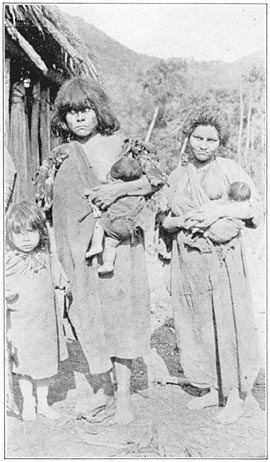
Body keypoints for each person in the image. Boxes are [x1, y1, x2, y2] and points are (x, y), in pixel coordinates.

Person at [36, 77, 166, 425]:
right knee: (88, 318)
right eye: (71, 113)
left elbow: (154, 180)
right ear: (62, 120)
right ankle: (103, 390)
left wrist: (113, 194)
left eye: (85, 110)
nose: (79, 119)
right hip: (76, 251)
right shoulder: (59, 155)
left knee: (121, 317)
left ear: (99, 110)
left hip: (118, 246)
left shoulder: (123, 145)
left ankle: (123, 396)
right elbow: (47, 207)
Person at [162, 105, 262, 424]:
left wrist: (216, 213)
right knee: (196, 322)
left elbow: (252, 207)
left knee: (228, 321)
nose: (204, 145)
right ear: (188, 137)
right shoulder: (177, 176)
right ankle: (209, 387)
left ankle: (234, 395)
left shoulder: (230, 169)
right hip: (188, 259)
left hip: (223, 259)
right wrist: (183, 219)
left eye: (212, 140)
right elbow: (164, 220)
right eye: (198, 138)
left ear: (221, 143)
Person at [5, 201, 69, 421]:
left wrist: (62, 279)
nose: (26, 238)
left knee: (44, 363)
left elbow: (56, 271)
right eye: (19, 233)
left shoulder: (44, 256)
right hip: (21, 323)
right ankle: (28, 402)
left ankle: (42, 401)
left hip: (44, 322)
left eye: (31, 232)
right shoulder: (8, 261)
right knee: (24, 365)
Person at [85, 145, 167, 273]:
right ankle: (108, 264)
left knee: (100, 225)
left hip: (113, 223)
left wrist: (89, 193)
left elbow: (97, 194)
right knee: (112, 242)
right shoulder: (136, 193)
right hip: (129, 228)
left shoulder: (113, 186)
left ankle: (96, 246)